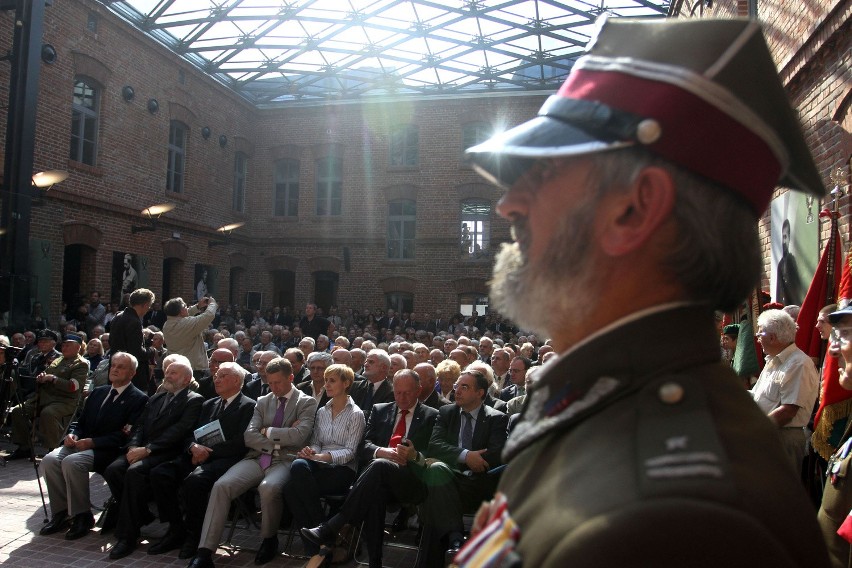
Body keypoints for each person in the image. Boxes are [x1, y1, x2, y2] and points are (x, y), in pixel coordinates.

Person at [454, 17, 829, 568]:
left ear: (634, 208)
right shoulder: (602, 412)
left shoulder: (667, 519)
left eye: (543, 172)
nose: (509, 203)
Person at [187, 357, 316, 568]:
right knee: (222, 486)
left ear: (291, 378)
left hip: (285, 461)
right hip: (257, 457)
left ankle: (269, 539)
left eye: (278, 383)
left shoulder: (306, 402)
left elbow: (300, 437)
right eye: (270, 382)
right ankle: (205, 550)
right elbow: (249, 436)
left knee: (269, 488)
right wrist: (276, 441)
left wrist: (267, 431)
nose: (274, 387)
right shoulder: (263, 401)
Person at [301, 369, 438, 567]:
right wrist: (384, 452)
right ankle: (375, 561)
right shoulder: (381, 409)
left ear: (418, 390)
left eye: (407, 392)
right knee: (375, 491)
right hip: (379, 478)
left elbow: (433, 455)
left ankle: (333, 525)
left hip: (411, 480)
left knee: (378, 469)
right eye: (398, 392)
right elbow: (364, 446)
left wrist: (412, 455)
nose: (402, 397)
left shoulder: (431, 416)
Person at [147, 362, 256, 559]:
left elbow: (241, 442)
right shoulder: (209, 404)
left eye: (223, 376)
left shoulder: (249, 406)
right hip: (197, 455)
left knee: (195, 482)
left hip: (226, 460)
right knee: (160, 474)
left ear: (237, 380)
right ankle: (176, 528)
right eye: (216, 375)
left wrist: (207, 452)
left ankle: (194, 536)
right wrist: (193, 447)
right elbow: (191, 434)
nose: (217, 379)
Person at [103, 355, 204, 559]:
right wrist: (133, 446)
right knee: (113, 470)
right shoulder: (156, 398)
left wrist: (147, 450)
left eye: (173, 372)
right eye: (167, 371)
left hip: (167, 452)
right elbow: (139, 425)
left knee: (134, 472)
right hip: (141, 449)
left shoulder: (194, 400)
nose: (167, 374)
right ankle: (142, 514)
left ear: (186, 379)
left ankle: (128, 536)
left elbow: (179, 431)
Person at [39, 352, 148, 540]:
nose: (114, 369)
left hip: (108, 450)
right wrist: (73, 435)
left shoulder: (138, 398)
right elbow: (81, 423)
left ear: (132, 373)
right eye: (113, 365)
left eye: (121, 367)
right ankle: (62, 512)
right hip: (82, 443)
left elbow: (126, 435)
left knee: (73, 462)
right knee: (49, 460)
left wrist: (93, 442)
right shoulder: (99, 392)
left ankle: (82, 516)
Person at [418, 369, 508, 567]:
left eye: (464, 387)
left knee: (435, 497)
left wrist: (468, 459)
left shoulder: (496, 418)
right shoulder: (446, 412)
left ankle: (451, 543)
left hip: (478, 484)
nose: (457, 391)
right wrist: (467, 456)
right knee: (436, 471)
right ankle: (456, 539)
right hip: (451, 478)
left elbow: (495, 455)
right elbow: (435, 445)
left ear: (480, 393)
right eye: (457, 386)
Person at [283, 364, 365, 556]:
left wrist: (322, 457)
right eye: (326, 380)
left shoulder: (356, 414)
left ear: (346, 384)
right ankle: (323, 533)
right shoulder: (322, 411)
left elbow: (350, 452)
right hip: (320, 465)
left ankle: (317, 541)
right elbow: (317, 441)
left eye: (332, 381)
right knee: (298, 464)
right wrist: (311, 451)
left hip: (343, 470)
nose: (326, 384)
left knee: (291, 489)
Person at [752, 309, 820, 472]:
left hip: (782, 439)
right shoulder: (774, 361)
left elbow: (788, 411)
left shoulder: (798, 364)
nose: (757, 337)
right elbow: (757, 396)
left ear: (772, 337)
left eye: (760, 333)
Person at [6, 333, 89, 459]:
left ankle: (52, 448)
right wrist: (42, 377)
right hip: (44, 397)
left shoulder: (81, 364)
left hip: (64, 401)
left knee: (48, 413)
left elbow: (74, 386)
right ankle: (24, 447)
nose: (64, 348)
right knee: (18, 410)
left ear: (78, 348)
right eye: (64, 345)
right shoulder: (58, 359)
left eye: (68, 345)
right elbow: (47, 373)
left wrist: (53, 379)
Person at [109, 288, 155, 393]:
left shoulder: (117, 317)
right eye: (149, 305)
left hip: (116, 369)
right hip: (131, 377)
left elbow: (112, 342)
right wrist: (152, 350)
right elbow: (136, 352)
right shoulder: (134, 321)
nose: (149, 309)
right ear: (145, 304)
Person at [162, 296, 217, 377]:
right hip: (193, 370)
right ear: (181, 311)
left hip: (177, 366)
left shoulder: (167, 324)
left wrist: (197, 306)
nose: (187, 308)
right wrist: (212, 304)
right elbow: (208, 316)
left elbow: (182, 315)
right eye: (185, 307)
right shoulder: (185, 324)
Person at [776, 219, 804, 305]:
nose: (784, 241)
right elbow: (779, 291)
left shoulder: (792, 260)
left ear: (789, 238)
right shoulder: (780, 264)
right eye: (782, 237)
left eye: (786, 237)